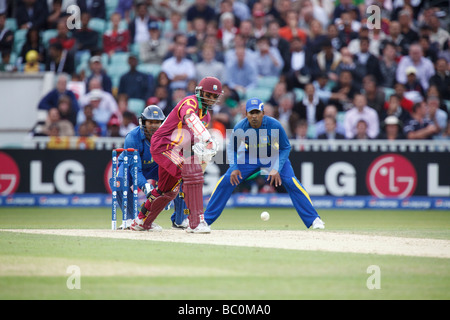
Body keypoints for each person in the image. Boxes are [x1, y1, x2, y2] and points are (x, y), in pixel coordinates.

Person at [203, 97, 324, 229]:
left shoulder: (274, 125)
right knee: (226, 181)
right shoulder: (240, 127)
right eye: (251, 113)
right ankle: (206, 221)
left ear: (263, 113)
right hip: (250, 156)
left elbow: (285, 147)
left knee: (291, 182)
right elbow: (232, 148)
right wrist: (234, 167)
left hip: (273, 155)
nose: (254, 116)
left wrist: (276, 168)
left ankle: (314, 219)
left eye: (257, 113)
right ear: (246, 114)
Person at [130, 76, 223, 233]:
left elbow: (192, 139)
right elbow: (189, 117)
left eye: (214, 96)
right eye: (208, 95)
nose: (211, 99)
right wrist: (208, 138)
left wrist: (203, 150)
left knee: (166, 191)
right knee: (189, 171)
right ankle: (196, 222)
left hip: (177, 150)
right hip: (163, 145)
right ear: (200, 93)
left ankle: (141, 221)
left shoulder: (206, 116)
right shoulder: (190, 102)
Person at [110, 105, 189, 229]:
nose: (154, 125)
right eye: (150, 122)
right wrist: (146, 186)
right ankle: (132, 219)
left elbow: (172, 162)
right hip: (130, 165)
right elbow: (135, 169)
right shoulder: (132, 137)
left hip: (156, 166)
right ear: (143, 122)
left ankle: (180, 219)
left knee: (180, 178)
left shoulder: (168, 137)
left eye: (157, 122)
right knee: (119, 182)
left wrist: (167, 194)